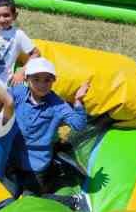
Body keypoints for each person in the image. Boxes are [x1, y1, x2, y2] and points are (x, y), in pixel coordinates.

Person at [9, 58, 89, 196]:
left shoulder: (57, 105)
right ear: (27, 79)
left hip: (37, 166)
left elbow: (79, 125)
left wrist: (78, 101)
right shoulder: (19, 92)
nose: (42, 84)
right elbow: (0, 97)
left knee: (32, 200)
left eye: (47, 80)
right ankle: (56, 163)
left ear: (53, 81)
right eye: (36, 79)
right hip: (13, 160)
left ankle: (61, 184)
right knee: (8, 196)